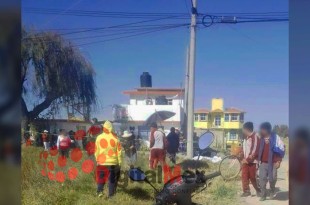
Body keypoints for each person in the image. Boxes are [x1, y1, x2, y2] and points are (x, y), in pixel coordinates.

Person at [94, 121, 122, 198]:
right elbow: (119, 151)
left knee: (101, 178)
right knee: (111, 179)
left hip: (101, 162)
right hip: (112, 162)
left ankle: (99, 193)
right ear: (111, 128)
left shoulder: (99, 137)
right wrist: (119, 162)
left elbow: (96, 150)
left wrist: (97, 160)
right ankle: (111, 196)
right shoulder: (116, 138)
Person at [258, 122, 283, 201]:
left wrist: (278, 161)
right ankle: (263, 195)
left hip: (273, 163)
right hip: (263, 163)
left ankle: (272, 191)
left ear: (267, 130)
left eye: (263, 129)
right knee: (262, 179)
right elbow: (256, 151)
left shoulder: (276, 138)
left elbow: (281, 149)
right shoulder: (260, 138)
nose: (261, 131)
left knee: (273, 179)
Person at [240, 122, 261, 197]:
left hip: (253, 162)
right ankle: (246, 191)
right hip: (245, 161)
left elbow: (255, 150)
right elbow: (244, 149)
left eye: (243, 129)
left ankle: (258, 190)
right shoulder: (245, 138)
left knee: (252, 177)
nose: (242, 131)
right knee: (244, 176)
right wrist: (242, 156)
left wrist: (248, 159)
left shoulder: (255, 137)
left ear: (247, 129)